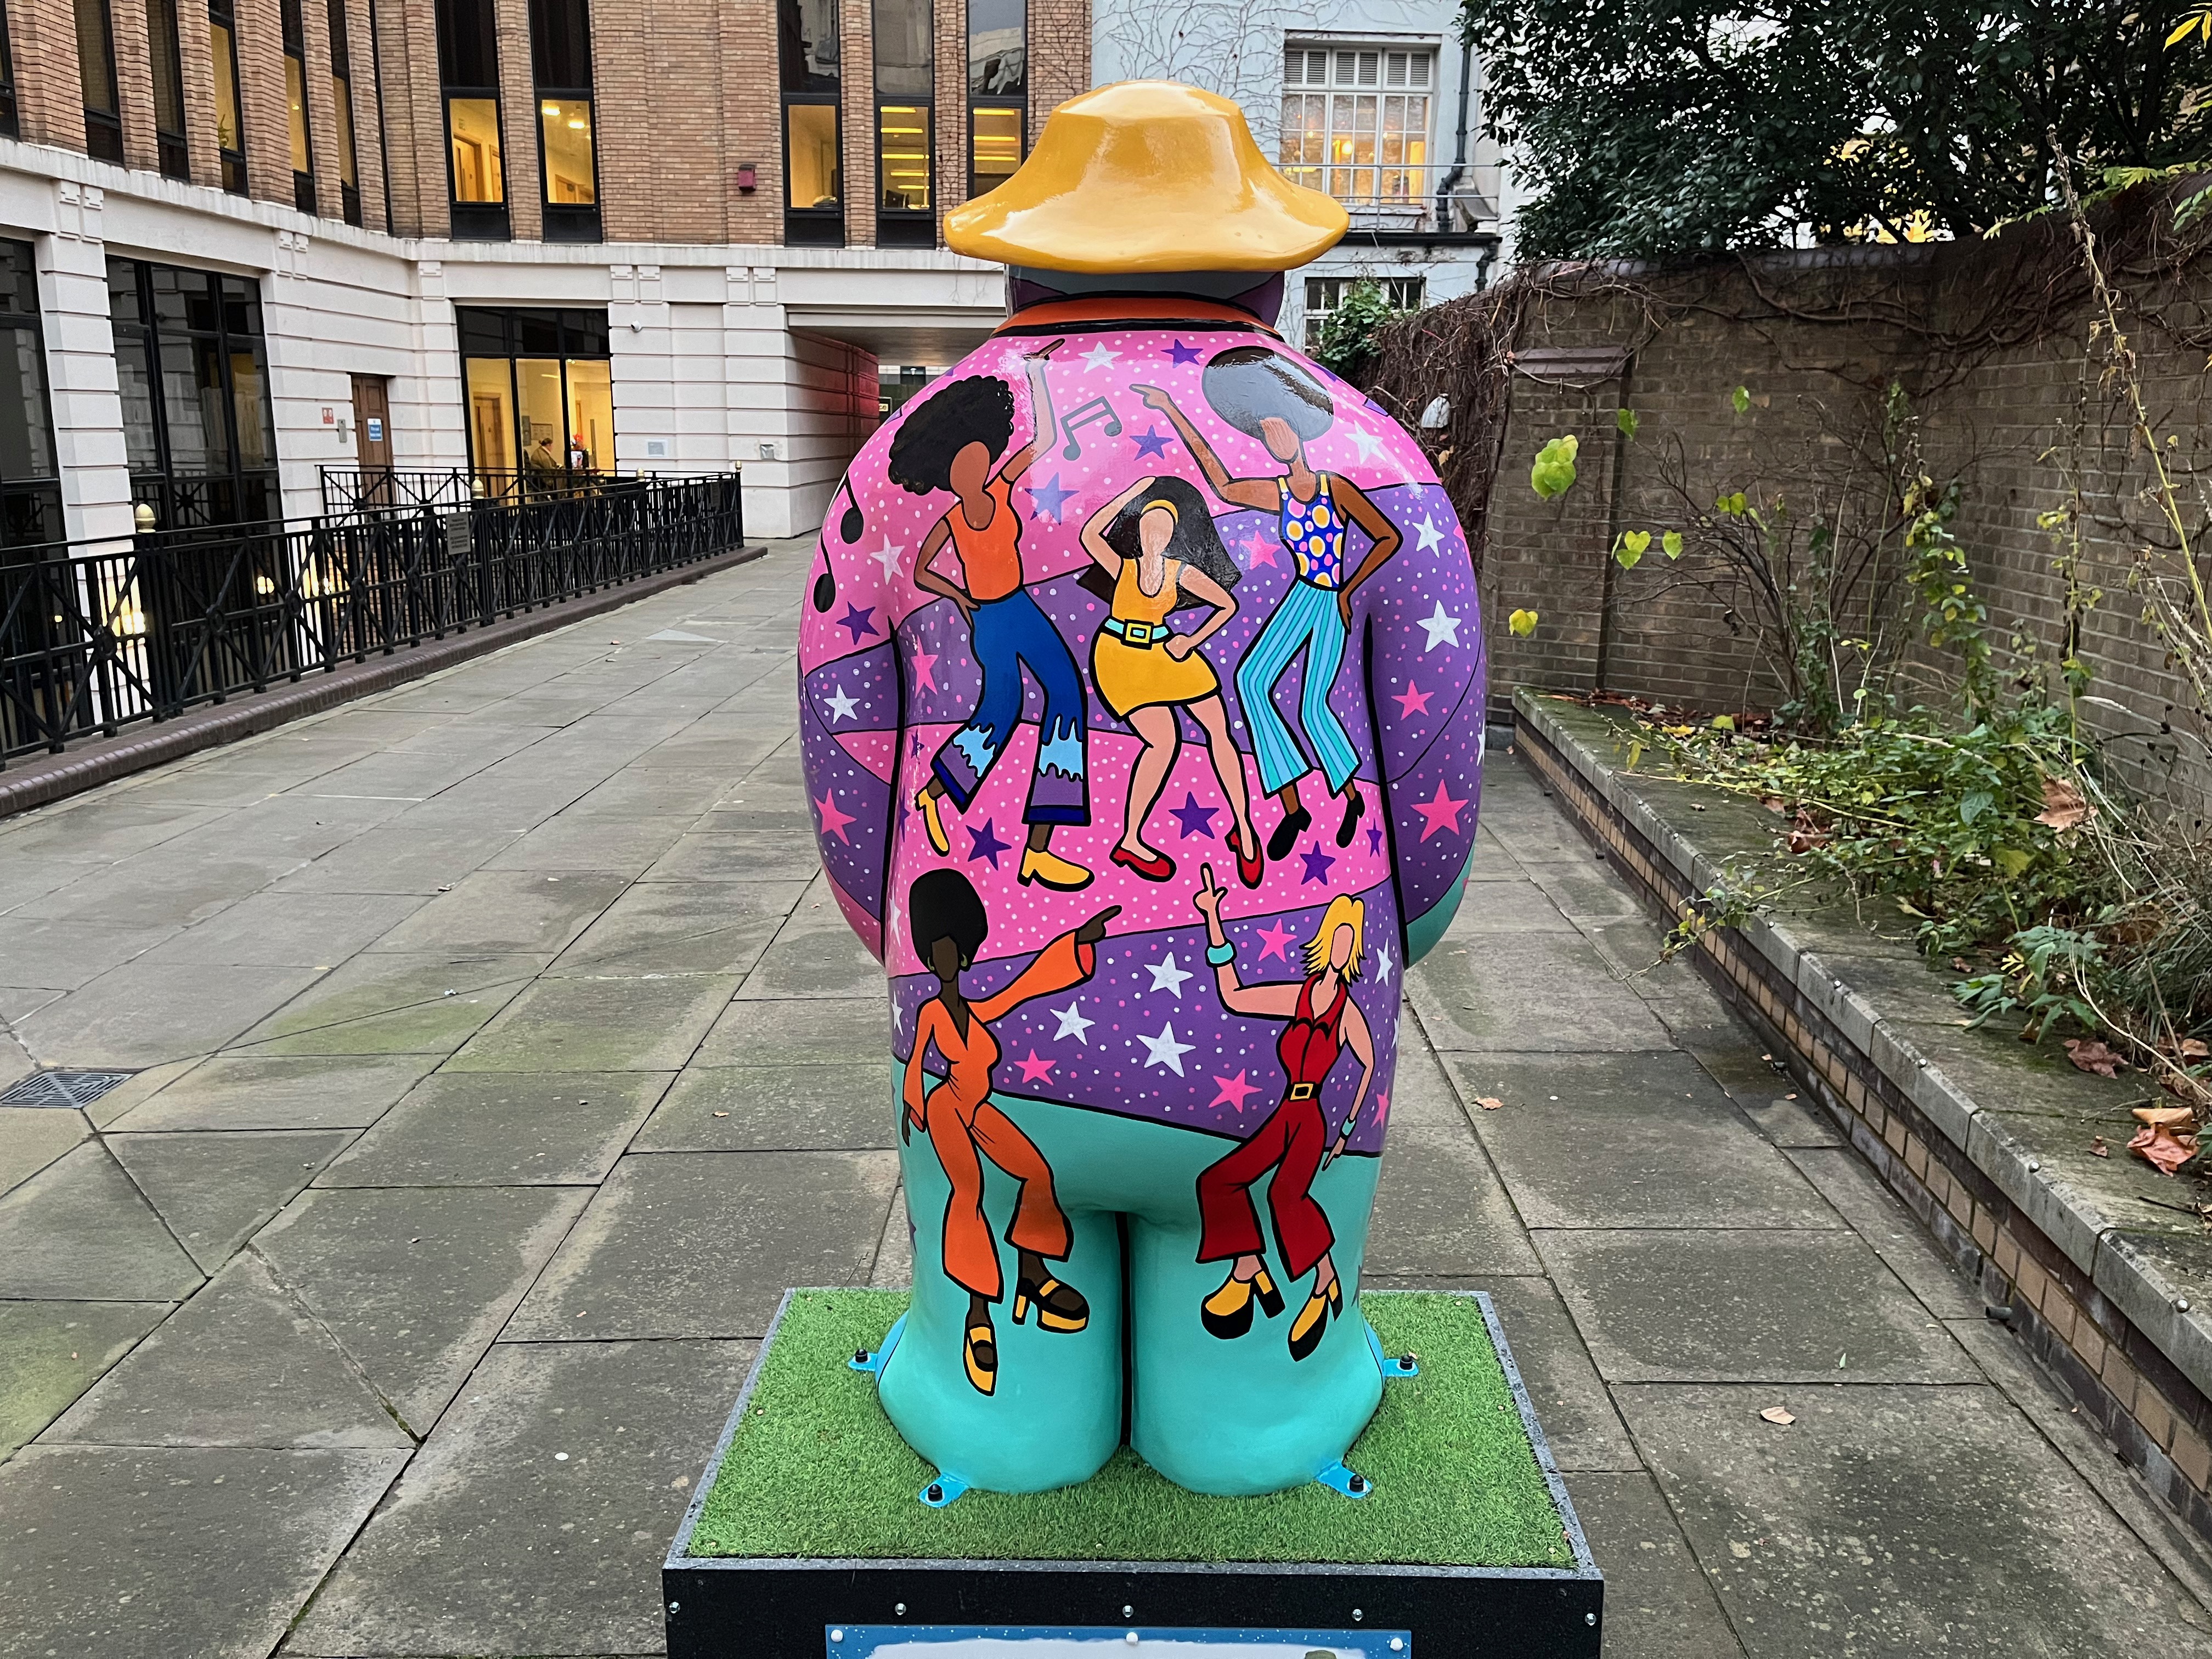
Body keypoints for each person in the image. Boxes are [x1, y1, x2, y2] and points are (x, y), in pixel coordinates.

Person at [1136, 348, 1403, 861]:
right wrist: (1171, 408)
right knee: (1251, 681)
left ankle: (1349, 798)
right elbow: (1222, 485)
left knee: (1312, 706)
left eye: (1279, 429)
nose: (1273, 440)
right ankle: (1292, 805)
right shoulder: (1278, 492)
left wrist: (1349, 591)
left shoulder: (1334, 487)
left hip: (1328, 599)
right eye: (1265, 434)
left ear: (1299, 431)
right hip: (1302, 594)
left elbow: (1387, 537)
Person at [903, 868, 1120, 1395]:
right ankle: (978, 1315)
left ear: (965, 955)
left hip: (978, 1108)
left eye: (953, 951)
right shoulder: (932, 1012)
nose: (945, 961)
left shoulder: (978, 1010)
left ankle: (1032, 1274)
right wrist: (914, 1101)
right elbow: (916, 1057)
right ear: (930, 958)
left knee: (1035, 1173)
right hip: (947, 1108)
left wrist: (1076, 943)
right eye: (937, 953)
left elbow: (1025, 987)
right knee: (970, 1192)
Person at [896, 343, 1093, 891]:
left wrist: (1038, 376)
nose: (976, 468)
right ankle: (937, 792)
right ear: (948, 474)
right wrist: (959, 595)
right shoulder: (953, 520)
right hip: (992, 620)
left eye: (980, 457)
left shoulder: (1003, 487)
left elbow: (1044, 441)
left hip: (1021, 606)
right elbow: (921, 571)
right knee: (1001, 712)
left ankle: (1039, 847)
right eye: (963, 464)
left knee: (1067, 696)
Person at [1189, 865, 1375, 1362]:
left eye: (1349, 940)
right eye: (1337, 937)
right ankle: (1248, 1266)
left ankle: (1325, 1281)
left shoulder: (1346, 1012)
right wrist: (1213, 922)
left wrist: (1348, 1128)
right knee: (1218, 1181)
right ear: (1325, 942)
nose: (1342, 948)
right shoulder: (1300, 996)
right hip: (1284, 1112)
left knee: (1284, 1195)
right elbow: (1235, 996)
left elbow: (1368, 1062)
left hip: (1311, 1118)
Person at [1076, 474, 1262, 888]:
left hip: (1166, 651)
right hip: (1121, 657)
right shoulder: (1123, 567)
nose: (1154, 533)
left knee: (1219, 729)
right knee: (1164, 741)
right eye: (1147, 524)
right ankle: (1131, 840)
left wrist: (1191, 640)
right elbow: (1089, 534)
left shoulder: (1181, 572)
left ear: (1174, 535)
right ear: (1138, 530)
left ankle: (1244, 827)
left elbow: (1227, 605)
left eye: (1163, 527)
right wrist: (1130, 493)